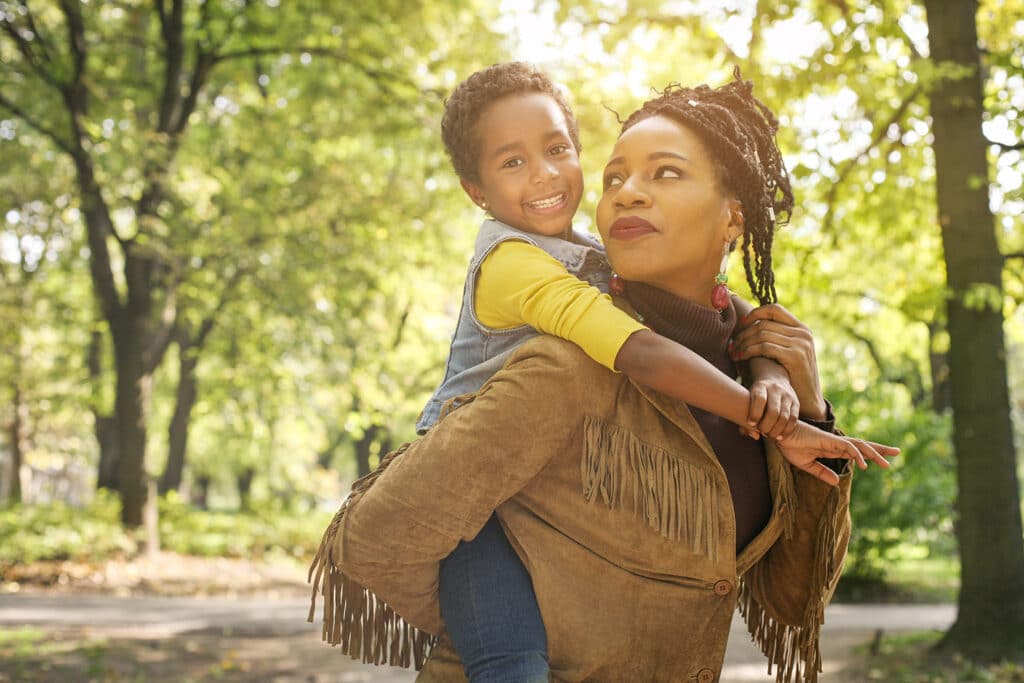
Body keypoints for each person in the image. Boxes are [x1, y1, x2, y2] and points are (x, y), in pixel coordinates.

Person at [308, 69, 899, 683]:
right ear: (476, 189)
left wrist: (794, 397)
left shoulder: (731, 355)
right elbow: (380, 536)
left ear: (734, 217)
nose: (627, 193)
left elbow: (791, 601)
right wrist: (505, 637)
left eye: (663, 172)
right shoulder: (568, 360)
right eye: (616, 177)